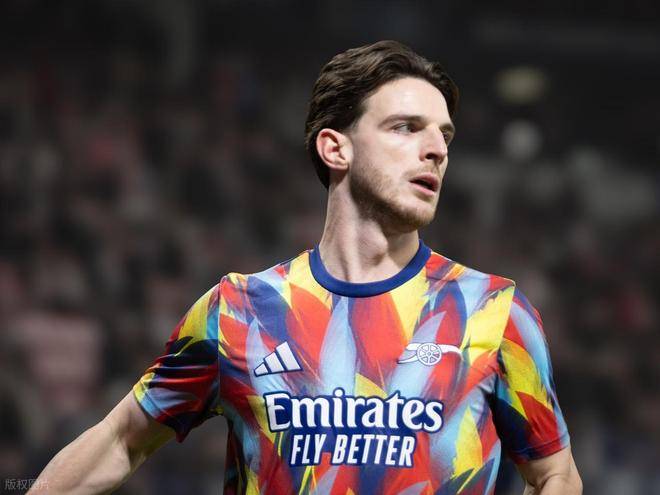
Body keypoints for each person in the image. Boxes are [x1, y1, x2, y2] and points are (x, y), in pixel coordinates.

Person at [30, 40, 582, 495]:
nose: (436, 149)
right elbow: (120, 440)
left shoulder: (493, 311)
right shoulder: (239, 311)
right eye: (405, 127)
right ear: (335, 149)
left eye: (444, 134)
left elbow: (555, 474)